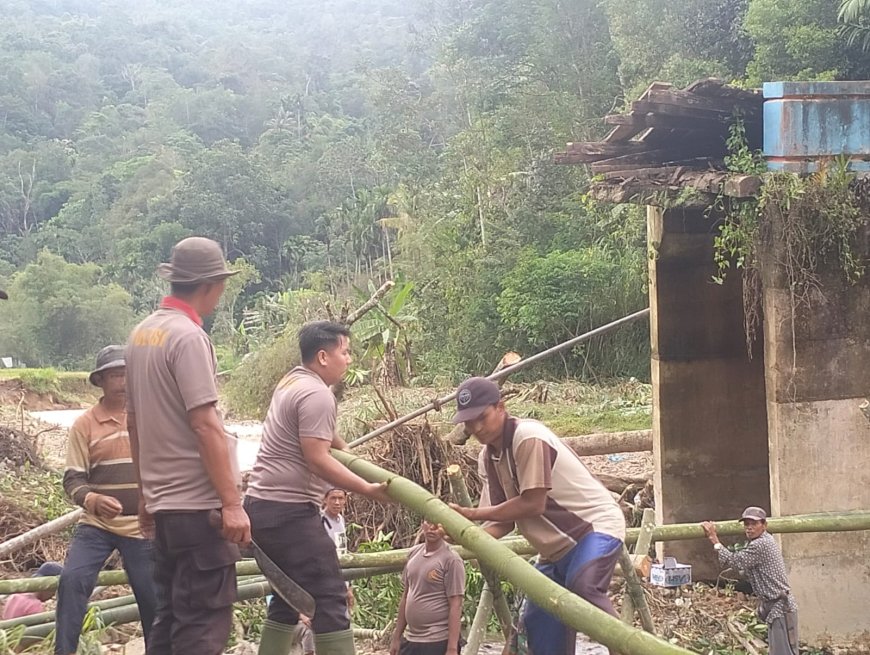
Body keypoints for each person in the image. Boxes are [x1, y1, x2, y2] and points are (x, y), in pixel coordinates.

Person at [126, 236, 251, 655]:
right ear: (211, 285)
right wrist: (232, 503)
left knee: (170, 621)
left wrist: (146, 494)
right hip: (199, 512)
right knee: (201, 626)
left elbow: (133, 423)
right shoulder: (187, 337)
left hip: (165, 512)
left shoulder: (142, 335)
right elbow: (205, 425)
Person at [448, 377, 626, 655]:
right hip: (555, 552)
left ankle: (626, 648)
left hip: (594, 529)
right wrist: (460, 538)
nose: (477, 428)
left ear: (501, 407)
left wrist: (472, 513)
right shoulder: (488, 458)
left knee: (585, 586)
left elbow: (533, 503)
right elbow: (503, 522)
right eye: (469, 423)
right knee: (540, 621)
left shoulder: (528, 437)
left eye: (482, 417)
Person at [244, 320, 392, 655]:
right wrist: (367, 489)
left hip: (260, 506)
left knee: (287, 597)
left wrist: (348, 452)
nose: (349, 359)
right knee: (329, 595)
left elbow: (323, 435)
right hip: (288, 512)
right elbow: (317, 459)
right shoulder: (317, 394)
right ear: (323, 357)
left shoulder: (292, 381)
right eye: (345, 352)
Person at [56, 346, 157, 655]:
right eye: (115, 376)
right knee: (72, 581)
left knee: (153, 596)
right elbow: (72, 479)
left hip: (141, 526)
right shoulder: (85, 424)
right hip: (97, 525)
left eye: (127, 375)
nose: (123, 382)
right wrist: (93, 499)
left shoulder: (150, 417)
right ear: (100, 381)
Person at [702, 507, 798, 655]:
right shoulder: (765, 540)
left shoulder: (760, 544)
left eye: (754, 523)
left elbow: (734, 561)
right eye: (746, 524)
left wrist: (714, 540)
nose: (749, 528)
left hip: (779, 607)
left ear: (764, 525)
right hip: (777, 606)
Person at [390, 520, 465, 655]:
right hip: (411, 638)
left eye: (437, 524)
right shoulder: (414, 553)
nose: (431, 528)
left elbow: (456, 604)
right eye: (428, 522)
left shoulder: (451, 559)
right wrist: (396, 637)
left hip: (437, 639)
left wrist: (452, 648)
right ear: (422, 524)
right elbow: (406, 596)